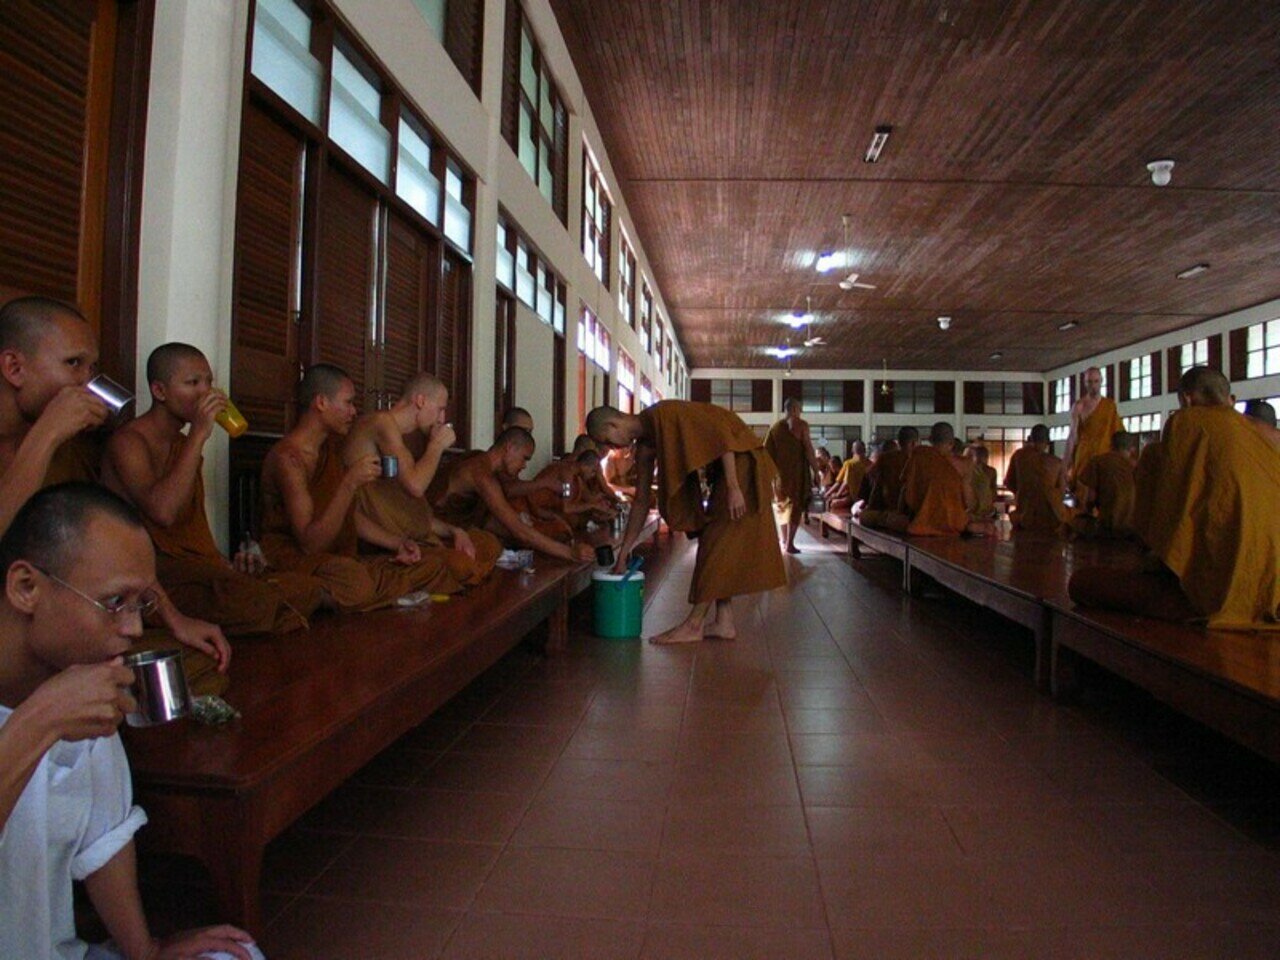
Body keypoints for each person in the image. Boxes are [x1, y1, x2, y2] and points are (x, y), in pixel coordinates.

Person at [0, 482, 264, 960]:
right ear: (25, 588)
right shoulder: (56, 705)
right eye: (113, 602)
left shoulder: (77, 688)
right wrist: (37, 723)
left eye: (139, 603)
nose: (134, 628)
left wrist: (146, 952)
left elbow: (105, 836)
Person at [0, 297, 229, 681]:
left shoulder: (68, 448)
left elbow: (105, 544)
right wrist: (46, 436)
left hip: (62, 616)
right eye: (73, 364)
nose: (87, 383)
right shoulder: (52, 435)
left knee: (193, 666)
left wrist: (174, 619)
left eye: (91, 369)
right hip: (14, 620)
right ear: (14, 367)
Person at [102, 344, 324, 636]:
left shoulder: (181, 444)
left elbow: (193, 533)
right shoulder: (130, 442)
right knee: (253, 601)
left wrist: (225, 563)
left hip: (196, 569)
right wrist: (198, 434)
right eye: (193, 383)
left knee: (306, 587)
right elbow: (163, 513)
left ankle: (257, 605)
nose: (206, 392)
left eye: (208, 382)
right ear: (159, 391)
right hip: (155, 574)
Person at [1069, 368, 1280, 629]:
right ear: (1230, 398)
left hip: (1217, 590)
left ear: (1187, 399)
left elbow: (1166, 518)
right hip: (1272, 586)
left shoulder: (1187, 422)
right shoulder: (1259, 434)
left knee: (1082, 583)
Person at [258, 364, 467, 611]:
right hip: (295, 555)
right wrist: (350, 483)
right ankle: (298, 592)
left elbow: (349, 516)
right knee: (355, 581)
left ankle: (338, 593)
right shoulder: (290, 458)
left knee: (428, 566)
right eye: (348, 403)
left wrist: (396, 543)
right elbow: (310, 544)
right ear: (322, 403)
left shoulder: (328, 450)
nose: (354, 411)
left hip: (339, 557)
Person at [587, 400, 786, 645]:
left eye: (607, 441)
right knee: (717, 540)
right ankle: (724, 621)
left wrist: (734, 486)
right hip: (726, 471)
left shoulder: (665, 413)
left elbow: (722, 432)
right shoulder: (646, 446)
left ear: (613, 424)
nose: (612, 448)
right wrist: (623, 553)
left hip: (740, 461)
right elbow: (640, 501)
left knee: (717, 541)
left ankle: (694, 624)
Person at [342, 373, 501, 587]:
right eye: (440, 409)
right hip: (380, 541)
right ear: (420, 401)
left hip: (411, 535)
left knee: (487, 543)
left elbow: (409, 510)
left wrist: (455, 531)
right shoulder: (381, 422)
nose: (442, 419)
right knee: (460, 565)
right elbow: (415, 487)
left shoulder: (397, 439)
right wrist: (436, 446)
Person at [429, 427, 595, 564]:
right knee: (490, 546)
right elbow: (518, 529)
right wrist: (570, 553)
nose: (524, 466)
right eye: (524, 458)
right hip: (439, 529)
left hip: (466, 526)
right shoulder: (480, 472)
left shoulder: (487, 467)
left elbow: (490, 513)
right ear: (509, 447)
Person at [764, 398, 820, 553]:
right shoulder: (801, 425)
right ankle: (790, 543)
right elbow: (808, 449)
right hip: (797, 474)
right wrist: (816, 471)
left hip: (779, 477)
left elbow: (766, 453)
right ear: (795, 409)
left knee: (781, 507)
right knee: (796, 507)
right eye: (799, 409)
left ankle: (783, 540)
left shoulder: (775, 428)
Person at [1064, 366, 1122, 496]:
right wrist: (1065, 465)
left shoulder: (1109, 405)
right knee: (1083, 496)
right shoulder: (1079, 406)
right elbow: (1072, 436)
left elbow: (1117, 433)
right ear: (1085, 383)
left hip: (1104, 456)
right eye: (1090, 382)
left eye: (1096, 381)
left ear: (1101, 381)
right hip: (1085, 457)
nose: (1093, 385)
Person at [1073, 430, 1137, 539]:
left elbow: (1090, 497)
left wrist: (1087, 513)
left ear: (1110, 445)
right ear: (1132, 449)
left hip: (1108, 523)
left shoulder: (1098, 461)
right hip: (1133, 526)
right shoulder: (1136, 466)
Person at [1007, 424, 1070, 535]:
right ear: (1047, 442)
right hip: (1052, 518)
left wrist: (1025, 494)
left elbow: (1009, 483)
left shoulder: (1018, 456)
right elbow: (1061, 493)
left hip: (1024, 517)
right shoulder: (1057, 462)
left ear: (1030, 439)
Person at [856, 428, 916, 526]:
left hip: (891, 514)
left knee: (864, 515)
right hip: (909, 515)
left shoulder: (886, 459)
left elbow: (874, 490)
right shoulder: (921, 460)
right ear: (914, 443)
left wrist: (870, 507)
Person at [827, 441, 868, 513]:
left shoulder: (849, 464)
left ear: (852, 450)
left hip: (853, 499)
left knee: (832, 504)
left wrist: (834, 495)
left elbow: (841, 483)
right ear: (865, 450)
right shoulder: (871, 463)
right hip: (868, 500)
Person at [967, 445, 998, 523]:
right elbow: (994, 492)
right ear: (986, 457)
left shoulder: (968, 470)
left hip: (972, 509)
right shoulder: (990, 471)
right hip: (987, 509)